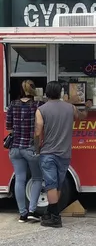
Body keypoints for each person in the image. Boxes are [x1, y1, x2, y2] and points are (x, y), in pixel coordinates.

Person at [34, 81, 92, 228]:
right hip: (65, 153)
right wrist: (87, 106)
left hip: (48, 152)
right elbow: (82, 116)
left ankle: (55, 217)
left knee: (50, 185)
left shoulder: (41, 110)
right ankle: (50, 212)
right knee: (58, 185)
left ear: (47, 92)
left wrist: (37, 148)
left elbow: (38, 131)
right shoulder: (70, 108)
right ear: (60, 92)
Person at [6, 80, 45, 223]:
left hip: (15, 148)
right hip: (30, 148)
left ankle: (22, 214)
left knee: (20, 180)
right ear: (34, 90)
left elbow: (9, 128)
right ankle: (32, 211)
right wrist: (36, 147)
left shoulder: (12, 105)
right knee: (37, 178)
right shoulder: (38, 105)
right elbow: (38, 129)